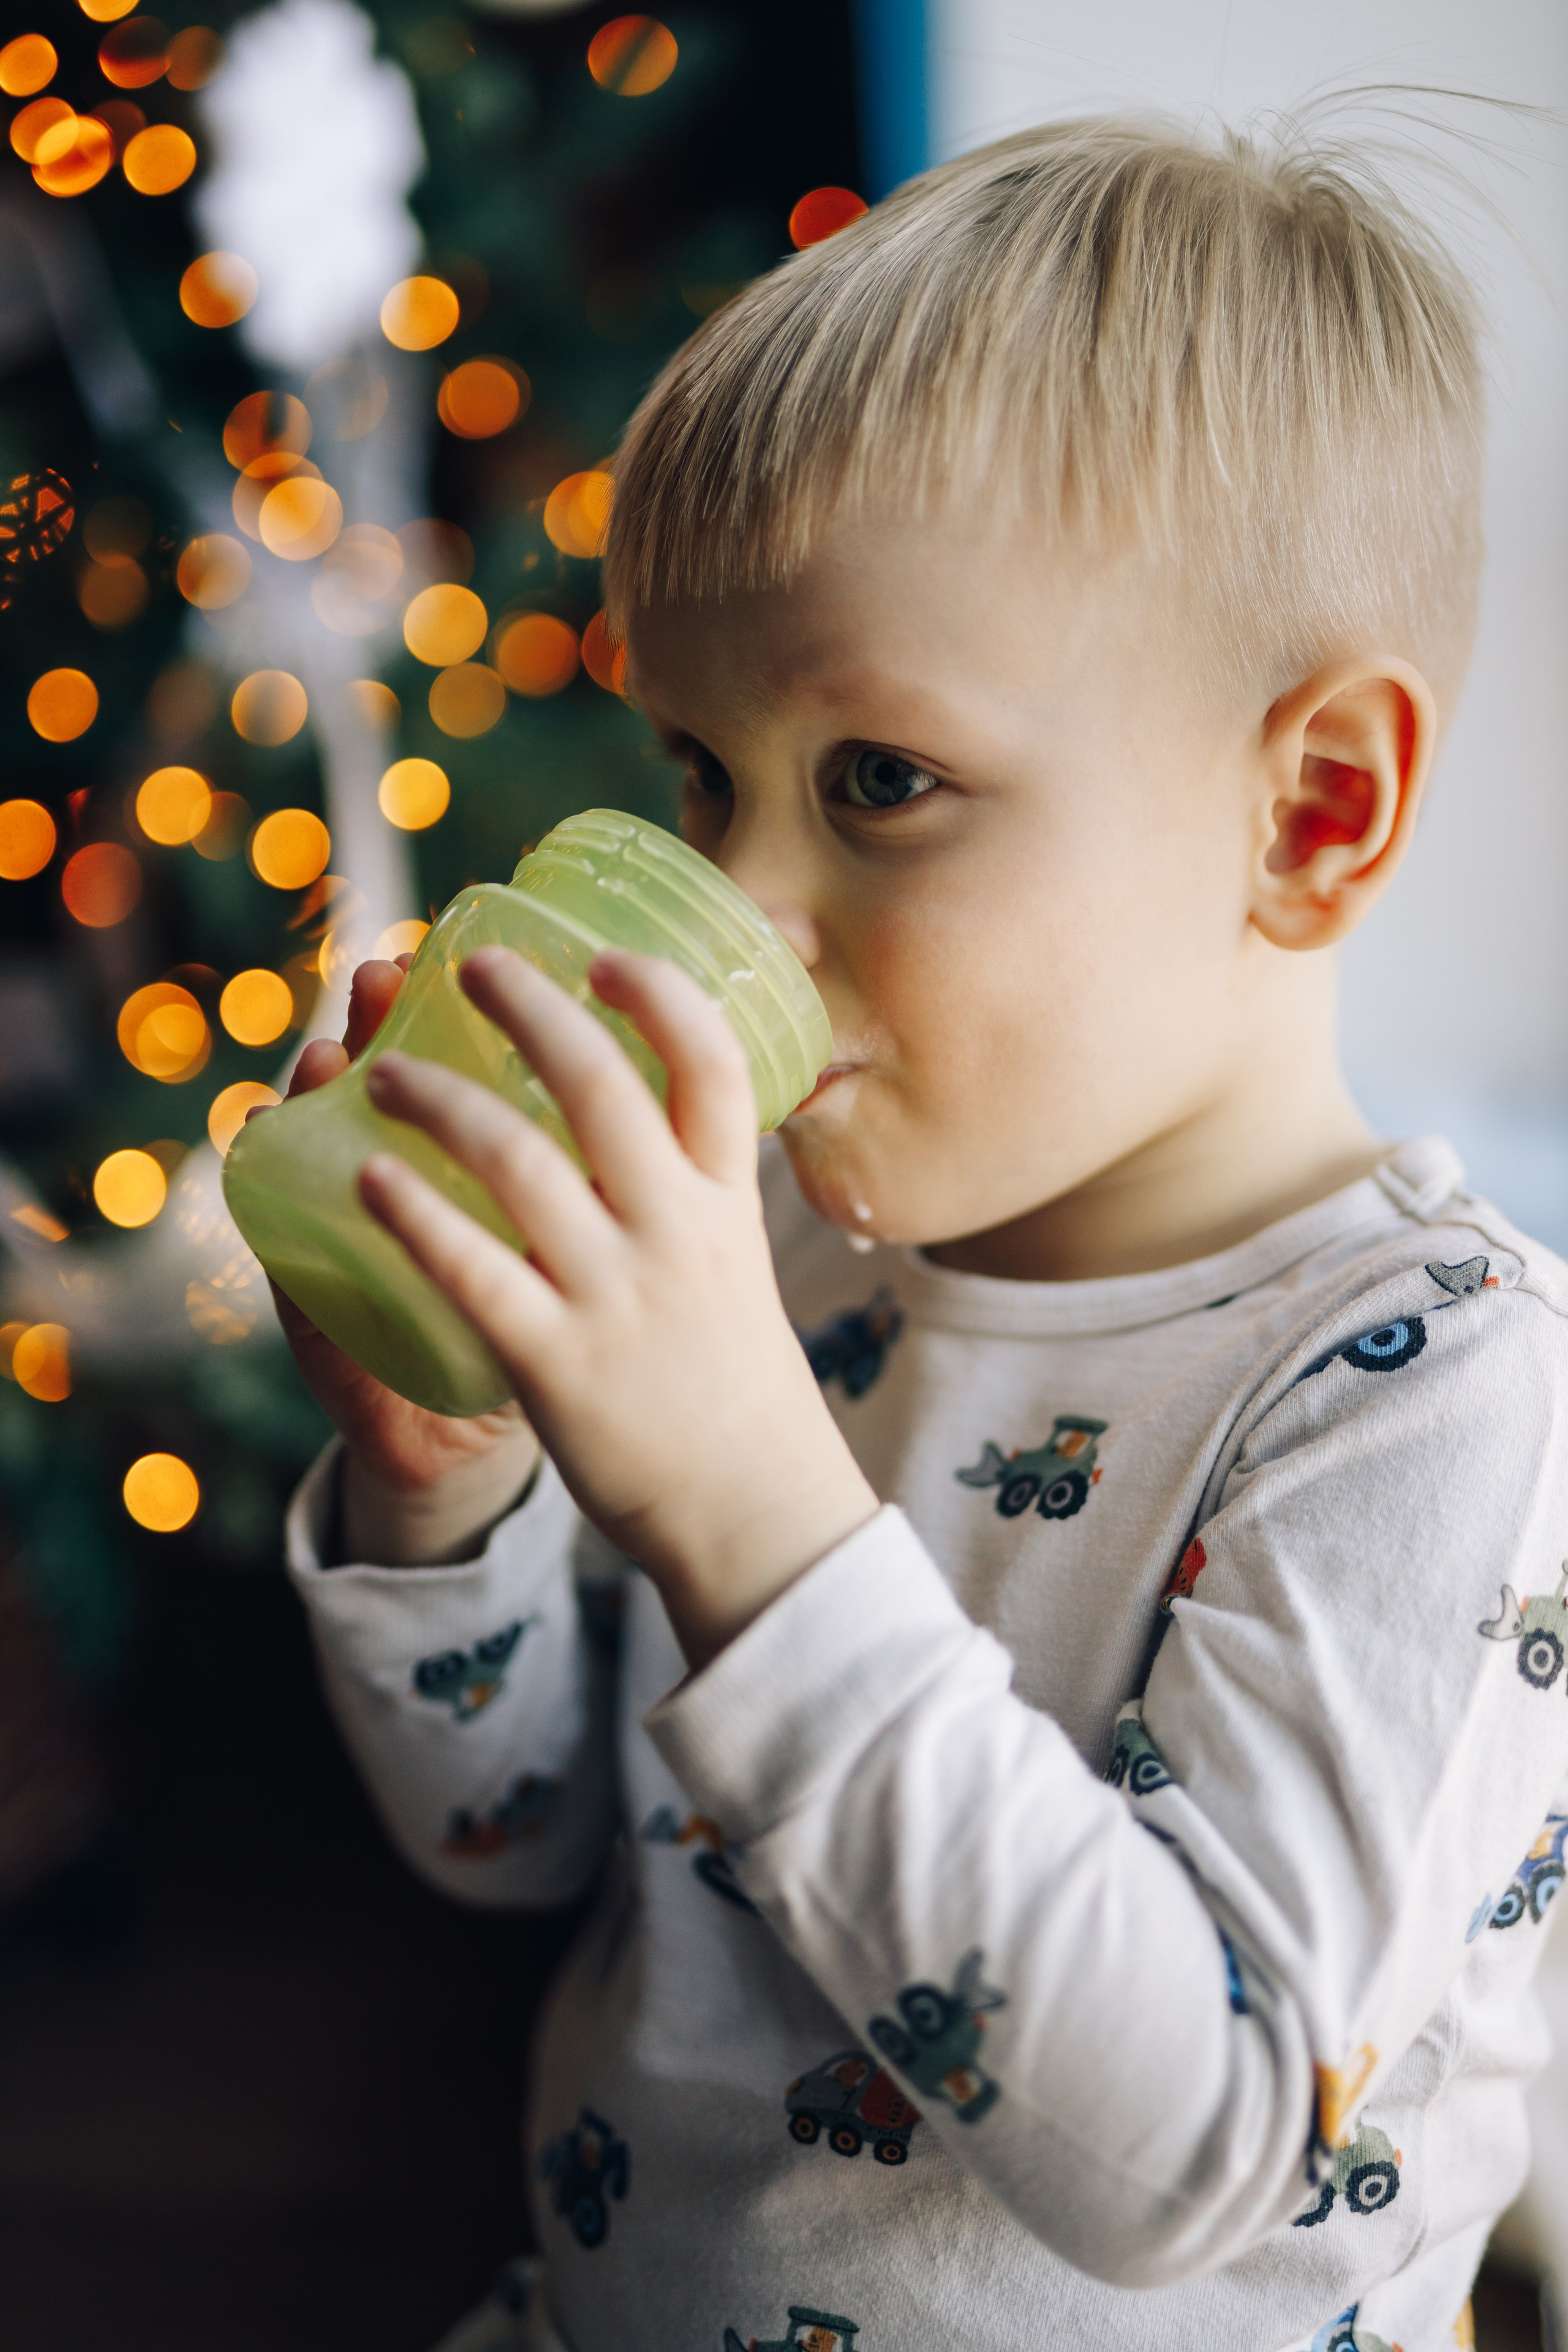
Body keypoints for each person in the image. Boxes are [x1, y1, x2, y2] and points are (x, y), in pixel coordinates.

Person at [279, 119, 1568, 2352]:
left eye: (878, 780)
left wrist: (746, 1502)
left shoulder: (1441, 1395)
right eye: (700, 774)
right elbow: (527, 1844)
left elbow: (1184, 2152)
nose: (734, 918)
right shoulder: (786, 1234)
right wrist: (446, 1490)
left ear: (1311, 811)